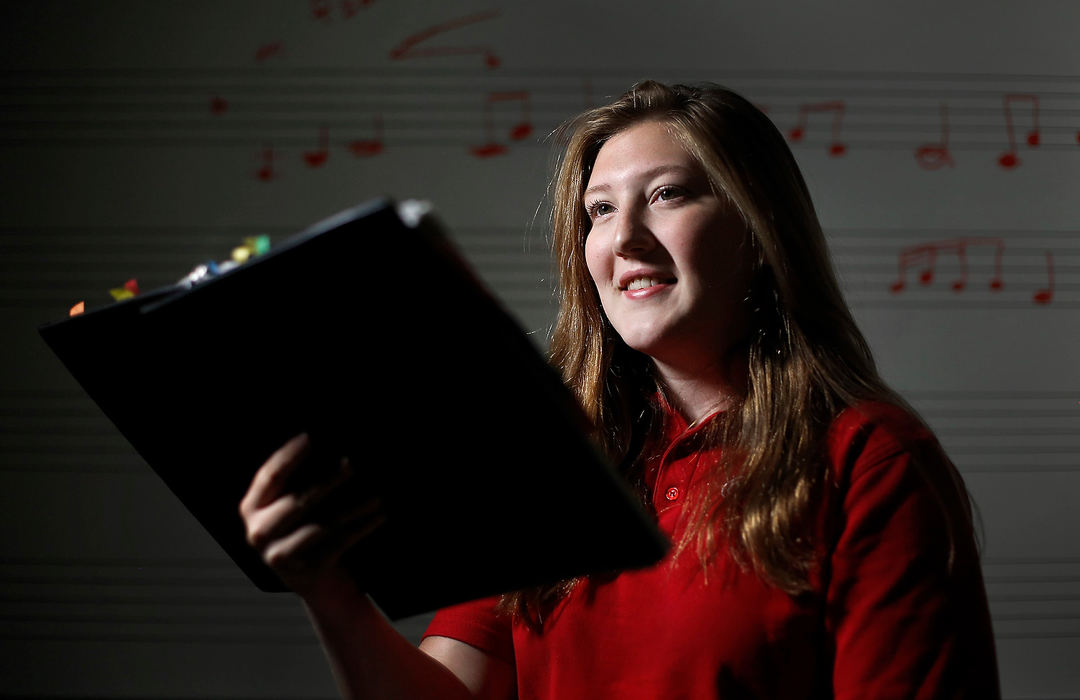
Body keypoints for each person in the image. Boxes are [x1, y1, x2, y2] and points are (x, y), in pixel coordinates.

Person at [239, 80, 1000, 699]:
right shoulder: (543, 462)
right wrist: (332, 593)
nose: (624, 237)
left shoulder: (871, 460)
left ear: (761, 236)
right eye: (599, 210)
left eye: (667, 195)